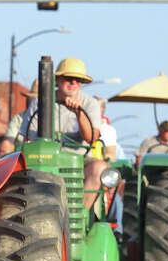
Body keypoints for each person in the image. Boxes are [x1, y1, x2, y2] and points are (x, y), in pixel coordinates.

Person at [16, 58, 105, 206]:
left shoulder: (90, 104)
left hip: (80, 159)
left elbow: (91, 138)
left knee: (99, 168)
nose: (73, 83)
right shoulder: (39, 102)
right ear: (57, 79)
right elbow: (28, 139)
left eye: (78, 80)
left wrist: (79, 114)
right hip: (44, 159)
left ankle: (79, 214)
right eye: (69, 79)